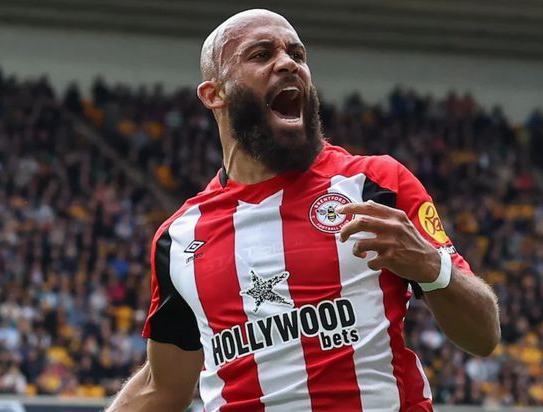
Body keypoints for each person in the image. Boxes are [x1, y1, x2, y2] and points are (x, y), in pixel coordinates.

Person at [107, 9, 500, 412]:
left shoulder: (375, 184)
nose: (287, 63)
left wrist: (431, 266)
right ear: (213, 94)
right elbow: (162, 387)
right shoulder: (180, 237)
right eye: (261, 54)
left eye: (297, 54)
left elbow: (484, 334)